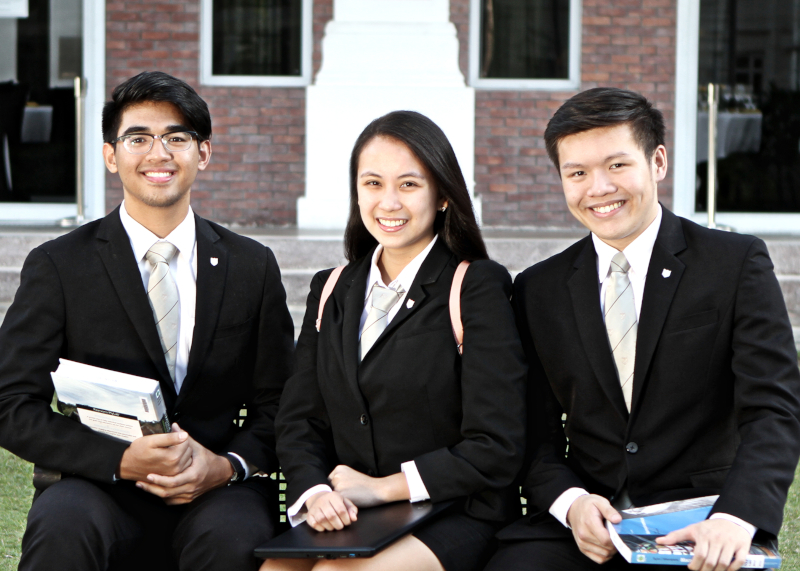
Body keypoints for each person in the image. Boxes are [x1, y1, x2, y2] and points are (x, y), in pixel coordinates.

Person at [485, 87, 800, 571]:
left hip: (702, 519)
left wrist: (736, 517)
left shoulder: (734, 264)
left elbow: (774, 408)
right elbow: (535, 436)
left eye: (616, 165)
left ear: (657, 161)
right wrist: (571, 503)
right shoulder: (537, 289)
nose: (598, 188)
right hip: (590, 520)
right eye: (577, 173)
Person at [0, 71, 295, 571]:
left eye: (176, 138)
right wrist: (118, 460)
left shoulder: (252, 265)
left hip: (215, 489)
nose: (158, 154)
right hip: (97, 484)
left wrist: (224, 466)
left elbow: (282, 403)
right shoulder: (59, 265)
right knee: (62, 525)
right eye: (138, 138)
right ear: (111, 155)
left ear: (202, 153)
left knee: (234, 535)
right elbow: (10, 402)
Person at [260, 111, 527, 571]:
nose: (389, 202)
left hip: (455, 510)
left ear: (442, 195)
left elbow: (496, 444)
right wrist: (317, 491)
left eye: (408, 184)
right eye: (372, 184)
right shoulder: (332, 288)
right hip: (354, 511)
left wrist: (383, 488)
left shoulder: (476, 285)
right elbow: (299, 419)